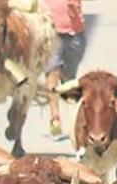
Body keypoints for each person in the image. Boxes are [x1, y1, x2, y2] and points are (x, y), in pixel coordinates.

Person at [45, 0, 85, 138]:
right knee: (52, 74)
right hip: (52, 34)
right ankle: (55, 118)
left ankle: (73, 119)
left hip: (75, 35)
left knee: (69, 80)